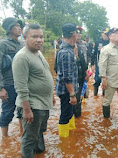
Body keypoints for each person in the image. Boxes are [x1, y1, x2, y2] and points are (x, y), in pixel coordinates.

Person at [12, 24, 55, 158]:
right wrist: (26, 110)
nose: (39, 40)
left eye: (41, 37)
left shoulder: (38, 52)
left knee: (40, 131)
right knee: (29, 138)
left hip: (43, 102)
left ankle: (39, 152)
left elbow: (45, 74)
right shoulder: (21, 57)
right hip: (32, 105)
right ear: (24, 38)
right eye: (34, 36)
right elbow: (21, 87)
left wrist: (51, 94)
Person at [0, 17, 24, 138]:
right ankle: (5, 139)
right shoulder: (3, 44)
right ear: (9, 29)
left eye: (20, 26)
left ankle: (22, 133)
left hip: (22, 83)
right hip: (8, 84)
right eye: (16, 26)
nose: (19, 28)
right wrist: (1, 88)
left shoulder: (22, 43)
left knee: (23, 110)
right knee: (7, 112)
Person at [99, 28, 118, 118]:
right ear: (110, 36)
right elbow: (102, 65)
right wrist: (103, 79)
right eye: (116, 33)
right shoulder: (106, 49)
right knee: (107, 101)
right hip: (111, 80)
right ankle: (106, 122)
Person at [55, 23, 78, 137]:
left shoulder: (67, 49)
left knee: (70, 112)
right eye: (76, 32)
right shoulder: (66, 52)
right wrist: (72, 95)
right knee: (65, 114)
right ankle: (64, 143)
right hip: (66, 91)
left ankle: (71, 135)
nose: (78, 34)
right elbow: (67, 77)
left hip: (68, 89)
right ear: (73, 34)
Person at [73, 31, 90, 118]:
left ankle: (78, 119)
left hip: (82, 73)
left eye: (79, 34)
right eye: (77, 33)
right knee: (73, 97)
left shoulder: (83, 45)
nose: (78, 35)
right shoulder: (65, 48)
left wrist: (86, 72)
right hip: (72, 77)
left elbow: (84, 60)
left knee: (80, 95)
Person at [92, 28, 110, 96]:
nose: (106, 35)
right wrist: (93, 64)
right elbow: (94, 54)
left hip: (108, 65)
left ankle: (104, 95)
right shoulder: (98, 42)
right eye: (105, 34)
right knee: (97, 80)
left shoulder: (110, 42)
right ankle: (95, 95)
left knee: (106, 81)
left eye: (107, 34)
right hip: (99, 64)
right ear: (102, 34)